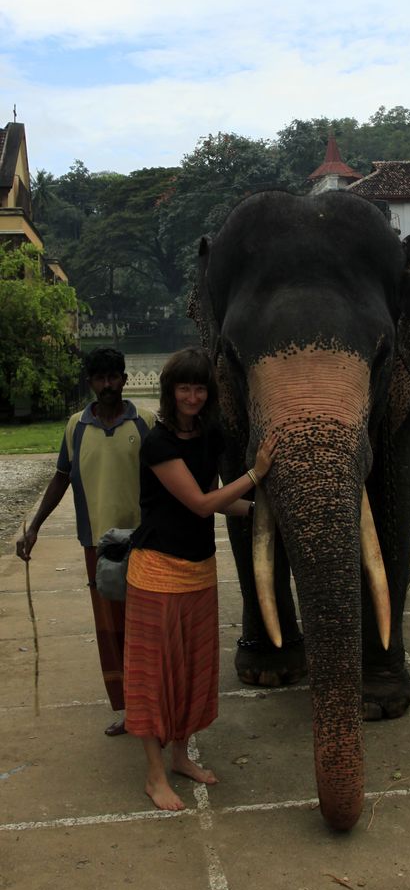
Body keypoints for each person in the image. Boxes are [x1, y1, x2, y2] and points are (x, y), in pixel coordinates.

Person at [123, 347, 277, 812]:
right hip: (155, 572)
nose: (192, 396)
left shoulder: (209, 436)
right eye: (183, 387)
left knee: (190, 671)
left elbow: (214, 497)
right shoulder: (158, 443)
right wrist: (257, 474)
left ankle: (179, 757)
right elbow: (199, 504)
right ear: (170, 392)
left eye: (199, 387)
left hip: (198, 571)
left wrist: (260, 511)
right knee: (154, 676)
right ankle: (154, 776)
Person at [16, 347, 154, 735]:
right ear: (91, 382)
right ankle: (129, 709)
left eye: (114, 377)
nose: (107, 385)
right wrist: (34, 526)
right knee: (112, 631)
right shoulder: (76, 426)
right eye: (100, 378)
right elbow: (62, 476)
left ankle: (154, 705)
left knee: (147, 626)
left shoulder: (145, 421)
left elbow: (165, 475)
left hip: (142, 542)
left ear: (124, 380)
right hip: (97, 545)